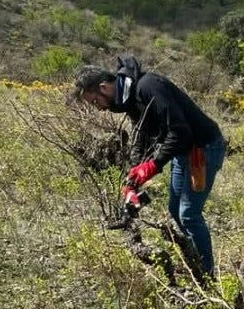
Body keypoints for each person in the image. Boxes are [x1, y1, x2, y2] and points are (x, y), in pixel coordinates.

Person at [75, 56, 226, 276]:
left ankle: (207, 274)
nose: (98, 108)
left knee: (188, 214)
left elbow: (180, 131)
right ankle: (195, 259)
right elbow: (142, 134)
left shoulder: (148, 87)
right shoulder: (129, 98)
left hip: (203, 148)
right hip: (183, 151)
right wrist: (134, 174)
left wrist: (154, 165)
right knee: (175, 210)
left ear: (103, 87)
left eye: (95, 101)